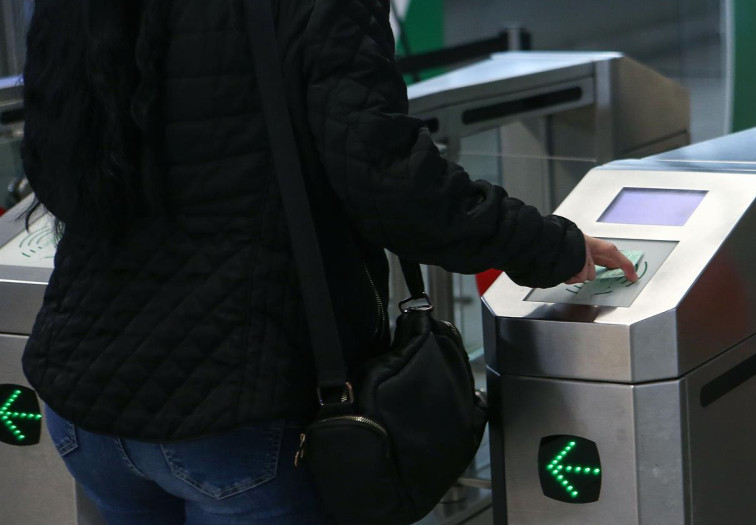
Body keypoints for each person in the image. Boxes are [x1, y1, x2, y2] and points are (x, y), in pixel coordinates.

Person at [19, 1, 635, 523]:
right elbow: (394, 184)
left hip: (85, 401)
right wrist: (553, 246)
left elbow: (54, 156)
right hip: (238, 412)